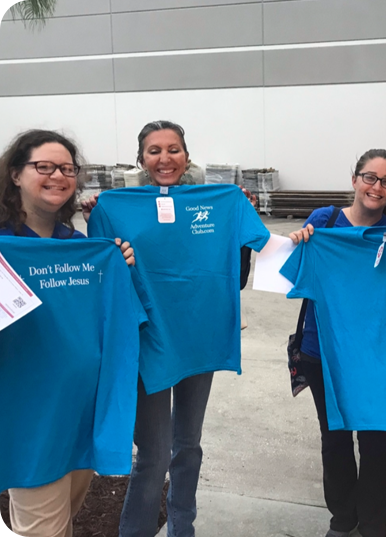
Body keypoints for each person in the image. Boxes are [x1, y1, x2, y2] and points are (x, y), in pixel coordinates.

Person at [87, 120, 270, 537]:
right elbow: (100, 278)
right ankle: (133, 536)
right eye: (154, 150)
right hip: (147, 341)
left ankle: (182, 530)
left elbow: (247, 265)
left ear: (186, 156)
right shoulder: (112, 208)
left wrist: (298, 235)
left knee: (188, 446)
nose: (164, 158)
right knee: (152, 456)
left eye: (173, 149)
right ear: (140, 159)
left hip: (197, 339)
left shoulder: (222, 201)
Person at [0, 129, 135, 537]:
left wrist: (116, 265)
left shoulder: (80, 245)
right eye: (43, 166)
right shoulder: (5, 246)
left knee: (64, 527)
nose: (58, 175)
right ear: (15, 175)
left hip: (82, 419)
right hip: (31, 426)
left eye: (67, 168)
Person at [288, 149, 386, 537]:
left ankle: (373, 524)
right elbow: (295, 271)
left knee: (375, 441)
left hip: (375, 354)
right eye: (370, 177)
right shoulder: (325, 220)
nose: (377, 187)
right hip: (323, 350)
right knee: (334, 438)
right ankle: (342, 518)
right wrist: (299, 242)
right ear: (354, 180)